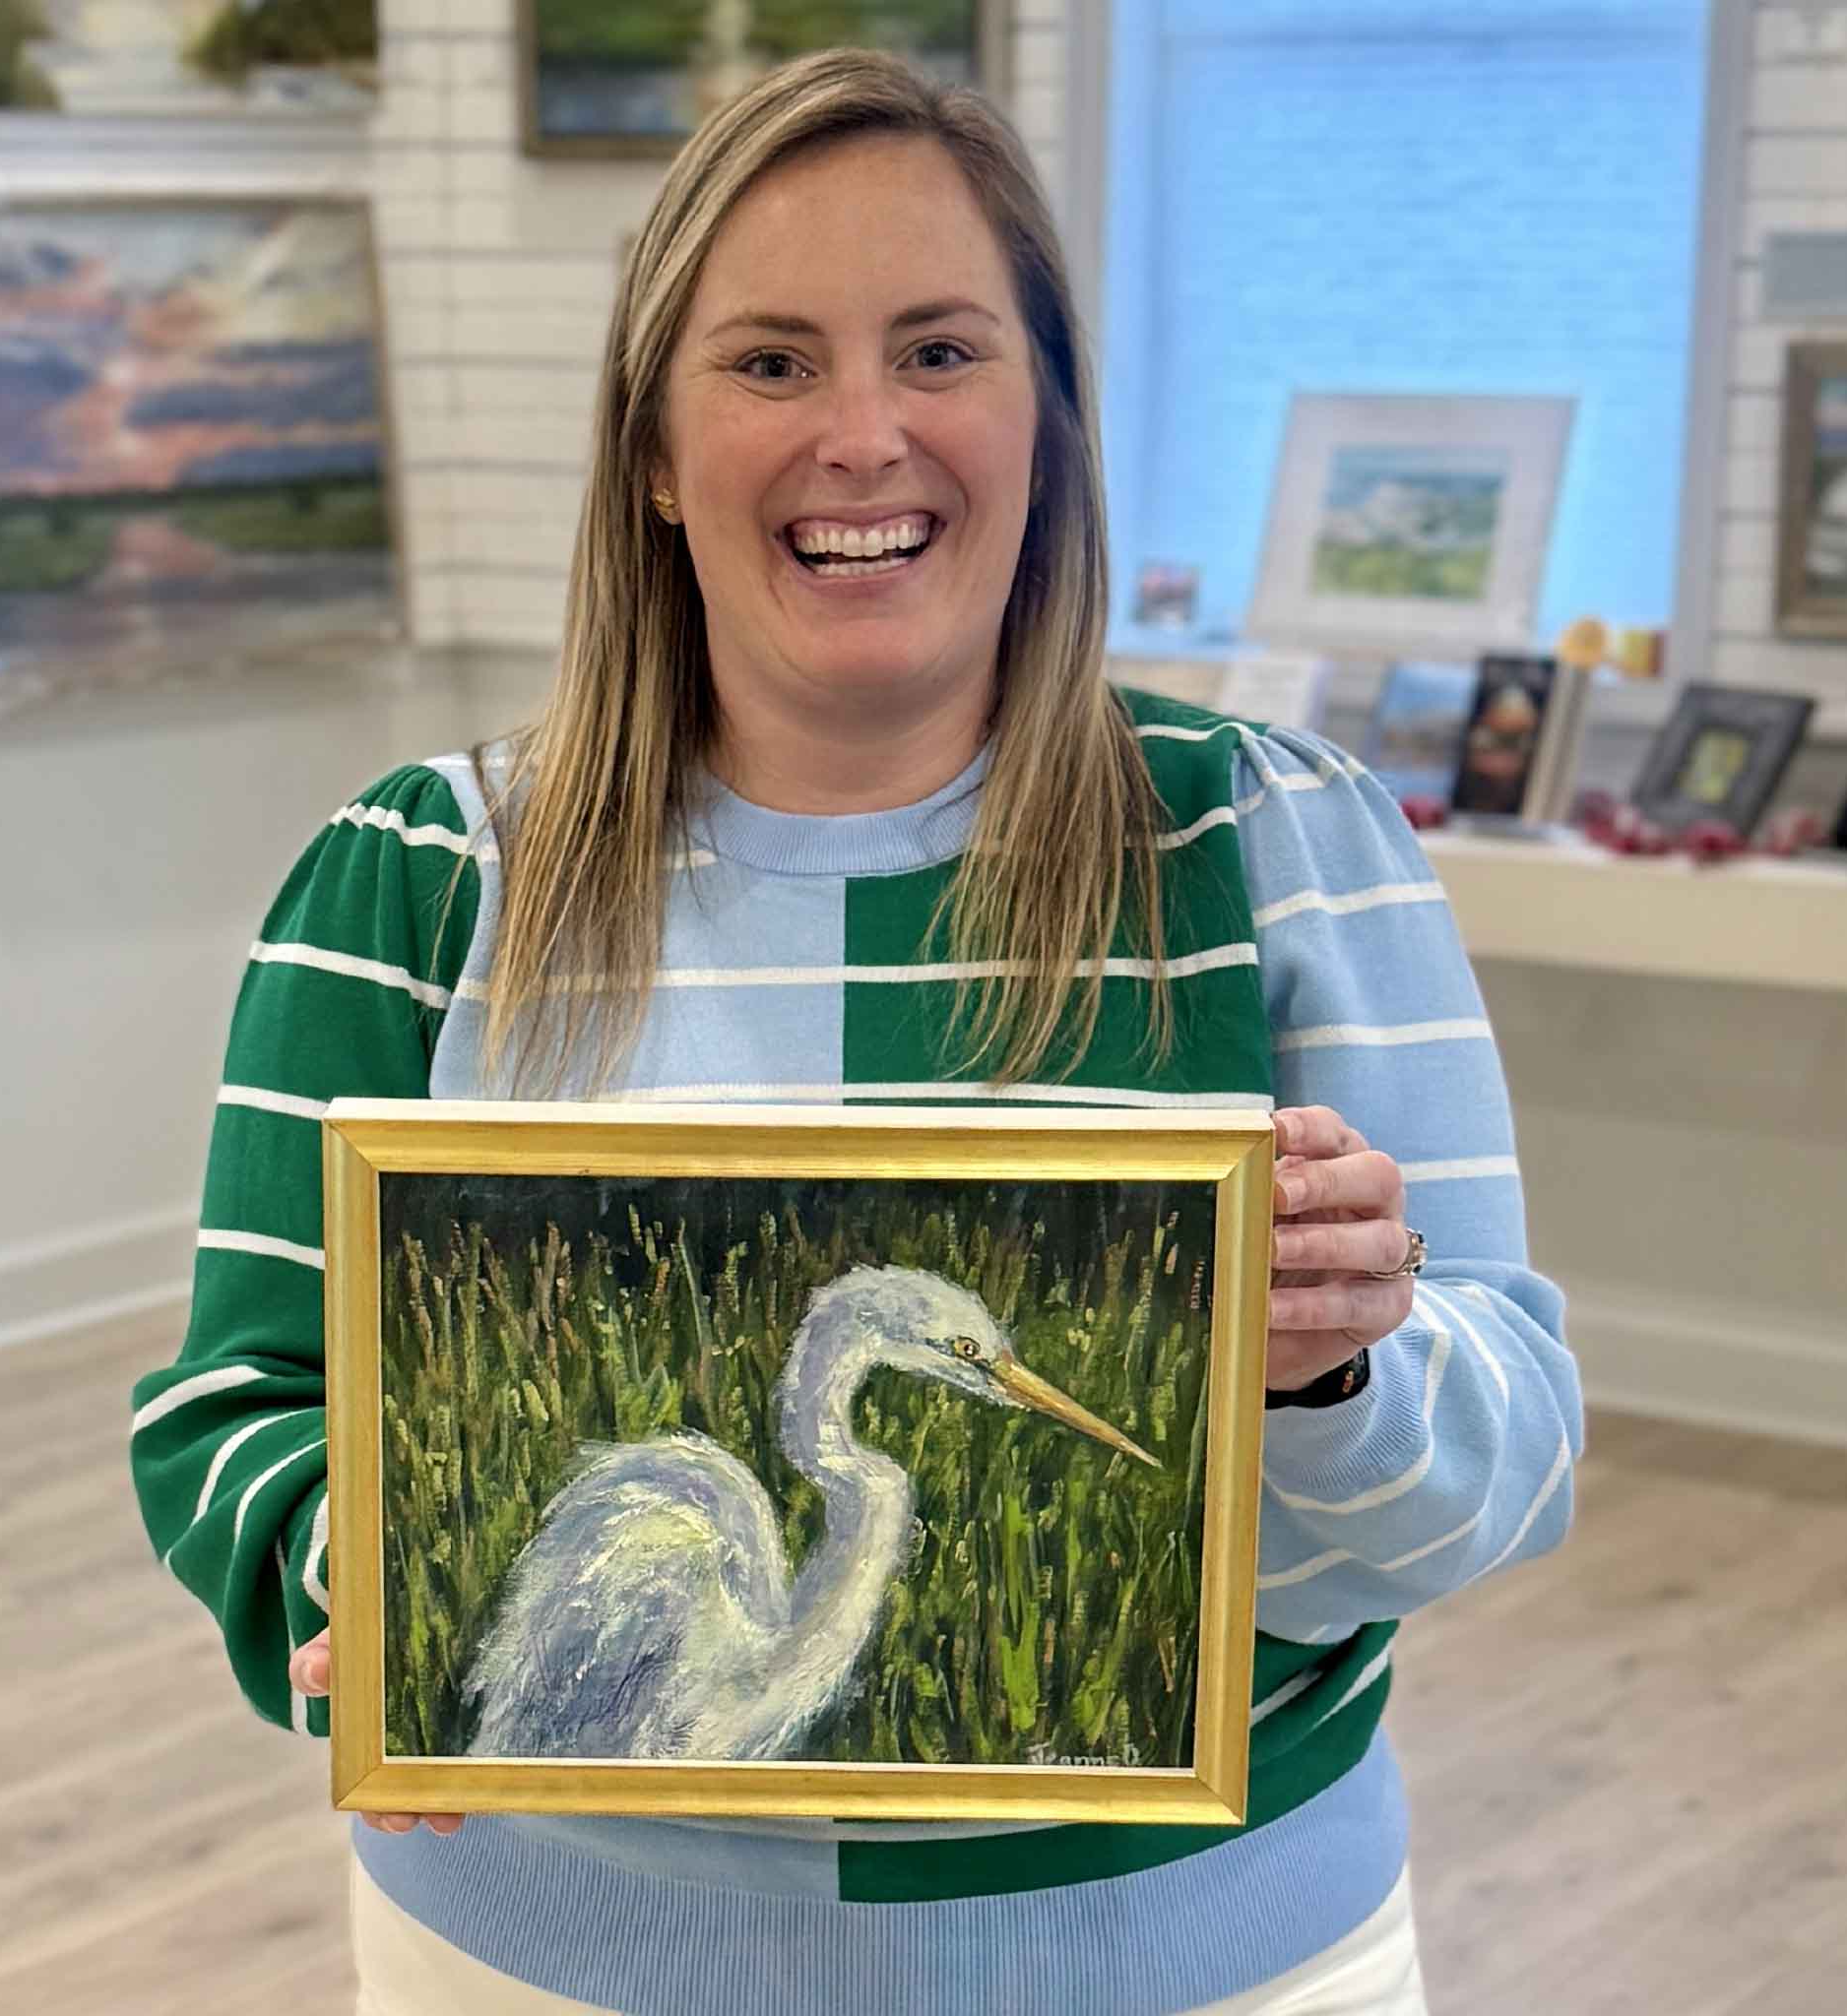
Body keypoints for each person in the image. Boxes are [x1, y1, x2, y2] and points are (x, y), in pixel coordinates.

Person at [130, 47, 1581, 2016]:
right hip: (552, 1971)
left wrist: (1338, 1375)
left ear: (1050, 422)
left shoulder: (1281, 845)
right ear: (649, 445)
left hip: (1217, 1965)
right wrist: (362, 1577)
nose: (864, 434)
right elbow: (238, 1414)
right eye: (770, 362)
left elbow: (1504, 1471)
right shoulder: (413, 879)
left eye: (941, 349)